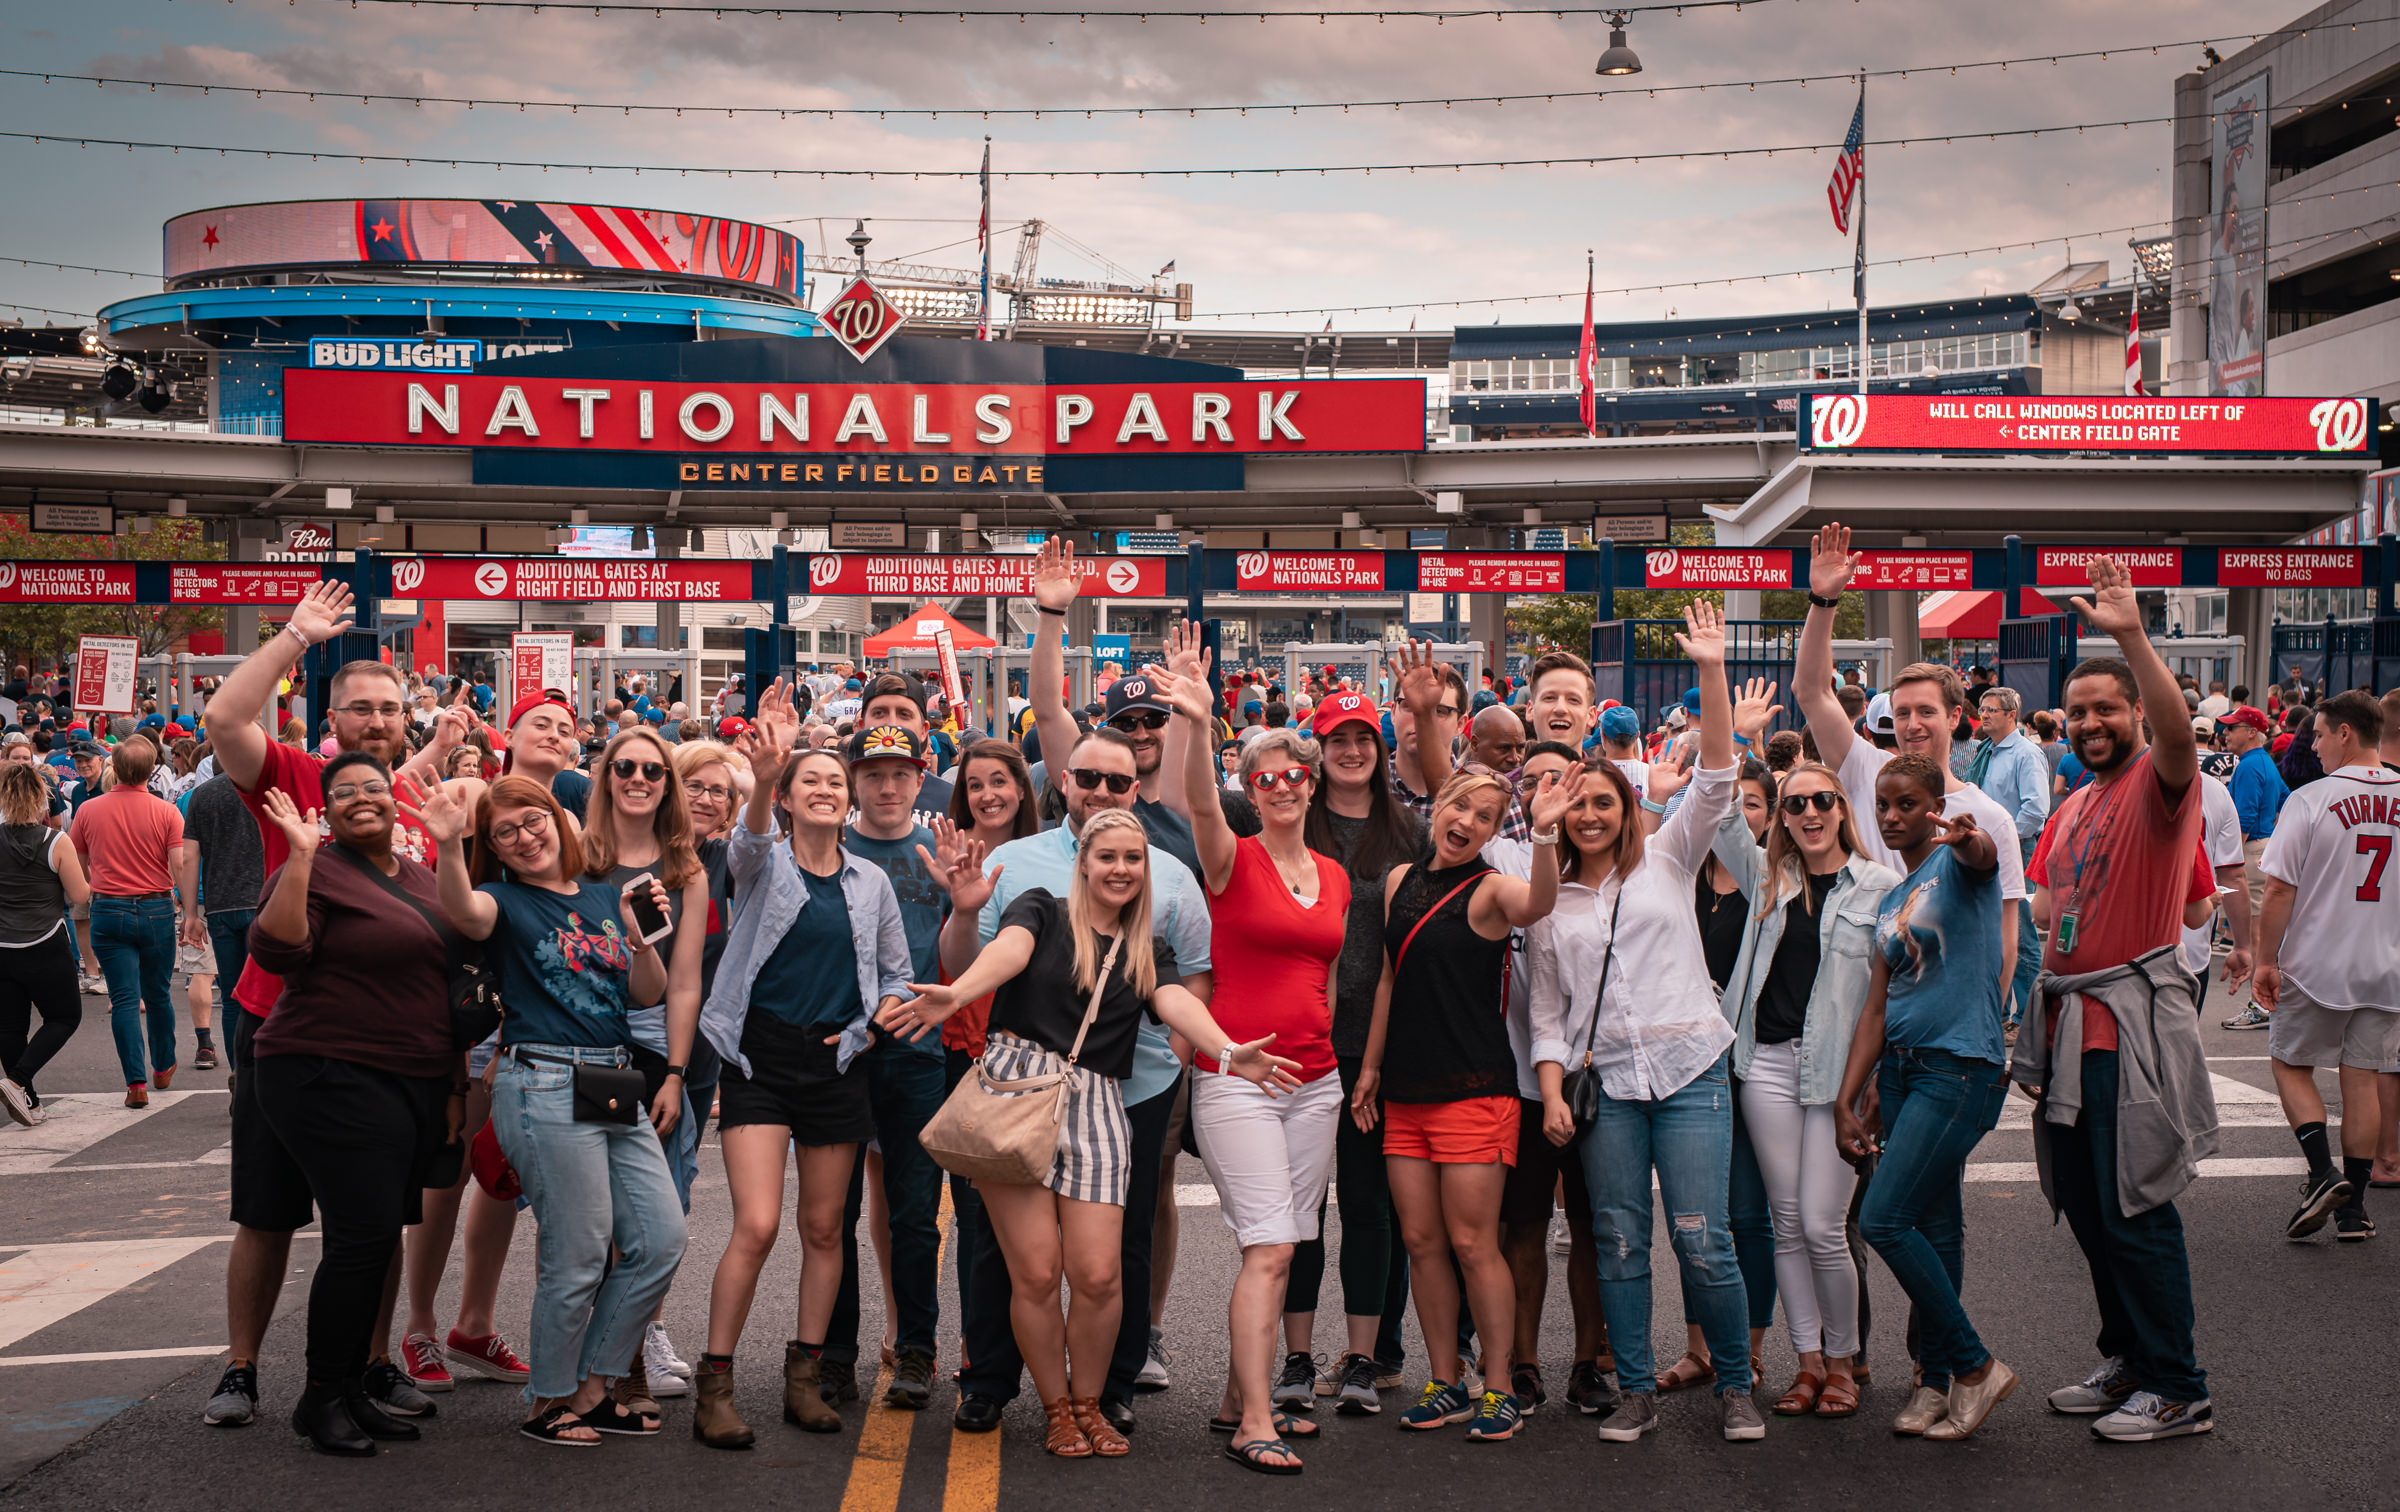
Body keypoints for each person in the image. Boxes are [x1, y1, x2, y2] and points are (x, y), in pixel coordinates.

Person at [890, 808, 1298, 1463]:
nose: (1119, 869)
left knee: (1101, 1276)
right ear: (1083, 863)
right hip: (1015, 1093)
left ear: (1146, 871)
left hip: (1100, 1103)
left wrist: (1225, 1051)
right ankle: (1057, 1411)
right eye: (1106, 857)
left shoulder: (1147, 947)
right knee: (1036, 1274)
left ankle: (1089, 1403)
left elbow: (1175, 1003)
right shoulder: (1040, 909)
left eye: (1132, 859)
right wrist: (959, 991)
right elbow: (1008, 951)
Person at [1526, 606, 1767, 1446]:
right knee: (1619, 1241)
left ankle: (1736, 1386)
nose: (1592, 815)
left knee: (1704, 1240)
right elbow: (1546, 1017)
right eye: (1578, 806)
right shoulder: (1547, 904)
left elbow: (1714, 777)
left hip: (1692, 1070)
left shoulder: (1670, 856)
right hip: (1611, 1089)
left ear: (1628, 808)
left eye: (1605, 802)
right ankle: (1635, 1390)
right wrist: (1553, 1096)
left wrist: (1710, 668)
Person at [940, 723, 1215, 1439]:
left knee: (1111, 1262)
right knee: (1009, 1256)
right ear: (1065, 780)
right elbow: (998, 951)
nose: (1099, 792)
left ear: (1137, 787)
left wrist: (1200, 1051)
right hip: (1024, 1090)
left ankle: (1106, 1393)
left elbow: (1183, 981)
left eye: (1116, 782)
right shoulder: (1022, 867)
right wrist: (958, 977)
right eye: (1087, 778)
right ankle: (995, 1384)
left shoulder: (1170, 877)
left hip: (1130, 1090)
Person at [2012, 557, 2217, 1444]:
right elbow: (2050, 912)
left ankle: (2179, 1385)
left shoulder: (2162, 786)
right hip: (2069, 1026)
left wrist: (2130, 632)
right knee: (2091, 1212)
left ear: (2135, 712)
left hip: (2126, 1031)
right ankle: (2130, 1358)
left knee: (2134, 1206)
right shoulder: (2073, 802)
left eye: (2109, 708)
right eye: (2081, 709)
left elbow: (2179, 739)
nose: (2092, 722)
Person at [422, 773, 687, 1447]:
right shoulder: (499, 901)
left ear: (558, 820)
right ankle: (550, 1400)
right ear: (497, 848)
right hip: (540, 1075)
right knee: (577, 1250)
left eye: (533, 820)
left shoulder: (605, 896)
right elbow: (462, 913)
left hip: (612, 1076)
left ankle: (594, 1383)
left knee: (660, 1239)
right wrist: (451, 845)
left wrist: (638, 937)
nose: (524, 837)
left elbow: (646, 996)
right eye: (505, 832)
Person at [688, 687, 909, 1448]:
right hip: (761, 1056)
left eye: (834, 784)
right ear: (784, 797)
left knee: (824, 1229)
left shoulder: (870, 882)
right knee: (755, 1223)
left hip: (836, 1058)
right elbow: (744, 846)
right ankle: (714, 1382)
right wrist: (762, 773)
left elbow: (894, 973)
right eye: (808, 782)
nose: (825, 791)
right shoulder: (760, 861)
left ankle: (805, 1379)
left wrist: (873, 1024)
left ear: (848, 801)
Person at [1357, 749, 1587, 1443]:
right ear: (1440, 805)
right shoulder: (1399, 880)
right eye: (1459, 806)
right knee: (1422, 1241)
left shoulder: (1493, 890)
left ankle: (1498, 1385)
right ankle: (1443, 1379)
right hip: (1405, 1089)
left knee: (1472, 1243)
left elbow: (1540, 903)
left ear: (1492, 832)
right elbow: (1390, 981)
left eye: (1484, 817)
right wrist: (1369, 1070)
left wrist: (1543, 835)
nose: (1466, 821)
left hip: (1473, 1091)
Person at [1155, 662, 1350, 1471]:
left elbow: (1328, 978)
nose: (1280, 786)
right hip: (1238, 1078)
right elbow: (1199, 801)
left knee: (1287, 1241)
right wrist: (1199, 721)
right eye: (1264, 776)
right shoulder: (1230, 859)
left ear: (1309, 784)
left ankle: (1241, 1395)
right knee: (1270, 1246)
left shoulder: (1334, 876)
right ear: (1252, 786)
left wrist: (1328, 1048)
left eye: (1293, 774)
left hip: (1316, 1081)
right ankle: (1254, 1421)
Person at [244, 761, 465, 1456]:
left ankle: (347, 1389)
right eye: (344, 793)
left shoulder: (421, 877)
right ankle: (320, 1397)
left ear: (395, 801)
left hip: (411, 1077)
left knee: (373, 1239)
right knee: (360, 1238)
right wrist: (301, 857)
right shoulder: (313, 868)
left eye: (374, 787)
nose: (362, 799)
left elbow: (446, 985)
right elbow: (277, 951)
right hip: (326, 1070)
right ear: (326, 811)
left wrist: (455, 1086)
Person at [1832, 754, 2015, 1440]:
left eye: (1907, 803)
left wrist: (1965, 837)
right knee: (1935, 1227)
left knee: (1883, 1220)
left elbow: (1982, 852)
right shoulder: (1891, 898)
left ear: (1934, 803)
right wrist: (1849, 1096)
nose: (1891, 815)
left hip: (1959, 1066)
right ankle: (1937, 1385)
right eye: (1883, 804)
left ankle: (1973, 1366)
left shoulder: (1959, 868)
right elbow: (1876, 1011)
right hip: (1904, 1072)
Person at [1712, 760, 1898, 1421]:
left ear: (1843, 807)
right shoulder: (1768, 877)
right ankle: (1808, 1362)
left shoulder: (1881, 886)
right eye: (1794, 805)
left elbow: (1897, 990)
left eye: (1822, 800)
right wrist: (1731, 741)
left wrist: (1876, 1082)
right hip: (1764, 1063)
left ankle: (1844, 1362)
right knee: (1787, 1223)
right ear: (1782, 819)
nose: (1809, 813)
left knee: (1823, 1225)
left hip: (1840, 1078)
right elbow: (1723, 811)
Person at [1795, 525, 2027, 1037]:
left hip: (1941, 1010)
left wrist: (1981, 1028)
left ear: (1954, 718)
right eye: (1902, 713)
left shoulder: (1990, 818)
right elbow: (1810, 690)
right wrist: (1824, 600)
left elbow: (2004, 940)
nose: (1913, 724)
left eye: (1926, 711)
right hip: (1852, 991)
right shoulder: (1864, 766)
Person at [580, 725, 710, 1414]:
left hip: (654, 1054)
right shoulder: (576, 854)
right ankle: (595, 1365)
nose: (637, 778)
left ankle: (634, 1341)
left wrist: (675, 1075)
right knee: (589, 1219)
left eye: (652, 771)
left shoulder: (685, 869)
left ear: (667, 785)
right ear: (604, 776)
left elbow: (683, 983)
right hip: (581, 1049)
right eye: (624, 767)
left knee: (661, 1212)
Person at [828, 721, 952, 1410]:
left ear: (919, 776)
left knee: (914, 1215)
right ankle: (834, 1354)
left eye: (900, 773)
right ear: (855, 779)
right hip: (841, 1054)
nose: (886, 786)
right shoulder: (829, 846)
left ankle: (916, 1351)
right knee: (832, 1217)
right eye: (873, 774)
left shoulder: (938, 848)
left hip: (916, 1052)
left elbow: (957, 951)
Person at [2253, 691, 2399, 1244]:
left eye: (2318, 734)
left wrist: (2266, 959)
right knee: (2362, 1076)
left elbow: (2280, 889)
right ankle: (2353, 1209)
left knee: (2290, 1063)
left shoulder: (2313, 798)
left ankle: (2320, 1172)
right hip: (2388, 963)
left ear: (2345, 733)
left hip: (2319, 959)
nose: (2312, 745)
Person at [71, 736, 187, 1108]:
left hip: (108, 908)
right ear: (152, 770)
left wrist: (91, 885)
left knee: (123, 998)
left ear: (115, 769)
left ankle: (135, 1081)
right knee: (158, 993)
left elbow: (78, 857)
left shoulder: (90, 810)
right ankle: (164, 1063)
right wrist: (187, 907)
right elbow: (179, 864)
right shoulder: (167, 812)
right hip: (156, 908)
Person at [0, 763, 89, 1126]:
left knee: (9, 1027)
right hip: (45, 941)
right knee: (65, 1016)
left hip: (3, 944)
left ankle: (30, 1101)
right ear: (42, 798)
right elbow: (79, 894)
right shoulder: (56, 841)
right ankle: (18, 1081)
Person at [1964, 686, 2049, 1033]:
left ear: (2012, 715)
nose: (1983, 715)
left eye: (1992, 710)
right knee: (1990, 934)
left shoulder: (2025, 754)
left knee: (2021, 937)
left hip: (2015, 849)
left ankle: (2026, 1019)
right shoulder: (1987, 750)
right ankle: (1996, 1014)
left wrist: (2002, 837)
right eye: (1982, 709)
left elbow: (2036, 809)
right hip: (1983, 851)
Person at [177, 775, 264, 1075]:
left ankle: (240, 1074)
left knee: (232, 999)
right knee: (267, 996)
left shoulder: (202, 795)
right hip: (265, 902)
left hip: (221, 906)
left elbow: (189, 857)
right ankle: (263, 1075)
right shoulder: (269, 785)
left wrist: (190, 914)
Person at [2219, 704, 2288, 1031]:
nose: (2226, 733)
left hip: (2248, 851)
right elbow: (2285, 800)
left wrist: (2228, 858)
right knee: (2260, 933)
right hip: (2263, 847)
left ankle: (2261, 1006)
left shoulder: (2248, 765)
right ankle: (2265, 1003)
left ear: (2251, 732)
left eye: (2232, 728)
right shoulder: (2265, 762)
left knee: (2256, 935)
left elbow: (2242, 818)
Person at [1468, 705, 1526, 775]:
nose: (1515, 759)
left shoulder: (1534, 783)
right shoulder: (1456, 784)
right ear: (1475, 744)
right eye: (1504, 748)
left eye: (1520, 748)